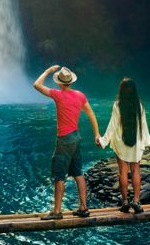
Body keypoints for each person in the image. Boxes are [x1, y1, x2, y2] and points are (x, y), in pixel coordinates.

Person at [33, 65, 101, 220]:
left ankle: (57, 212)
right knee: (78, 173)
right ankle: (84, 208)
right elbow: (90, 112)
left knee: (59, 176)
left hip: (64, 139)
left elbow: (36, 85)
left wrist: (48, 71)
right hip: (76, 137)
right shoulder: (80, 95)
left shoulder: (57, 94)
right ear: (70, 82)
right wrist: (97, 133)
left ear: (59, 83)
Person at [98, 77, 150, 213]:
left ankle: (124, 203)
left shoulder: (117, 105)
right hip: (136, 142)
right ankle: (136, 201)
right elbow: (144, 126)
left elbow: (112, 125)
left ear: (121, 91)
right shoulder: (139, 105)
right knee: (136, 170)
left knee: (123, 172)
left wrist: (103, 141)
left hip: (121, 142)